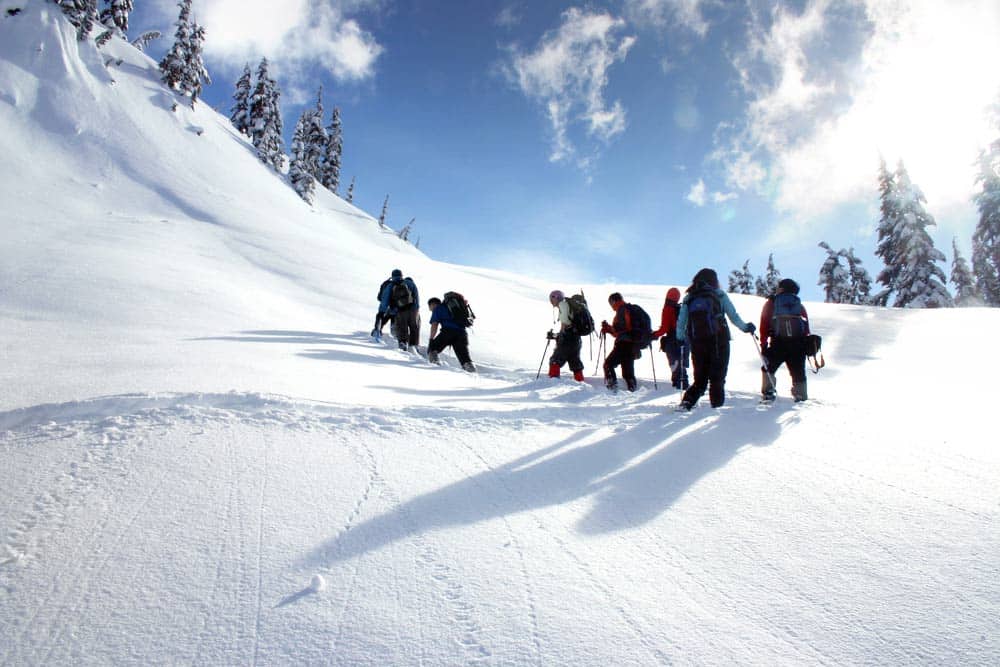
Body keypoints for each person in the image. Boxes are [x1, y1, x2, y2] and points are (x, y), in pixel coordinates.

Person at [675, 268, 755, 410]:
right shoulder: (719, 295)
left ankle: (687, 402)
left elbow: (681, 322)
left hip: (697, 342)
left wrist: (680, 338)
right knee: (717, 378)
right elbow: (733, 316)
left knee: (700, 379)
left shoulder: (690, 297)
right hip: (719, 340)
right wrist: (746, 327)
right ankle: (716, 408)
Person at [759, 278, 810, 402]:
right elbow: (806, 328)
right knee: (798, 372)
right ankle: (801, 395)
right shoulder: (799, 305)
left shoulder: (772, 303)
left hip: (778, 342)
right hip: (798, 344)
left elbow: (764, 324)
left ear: (781, 289)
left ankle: (769, 392)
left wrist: (764, 344)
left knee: (768, 367)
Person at [599, 292, 639, 392]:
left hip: (623, 345)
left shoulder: (621, 310)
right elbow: (622, 330)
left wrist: (608, 328)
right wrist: (609, 329)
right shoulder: (628, 309)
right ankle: (633, 391)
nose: (611, 306)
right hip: (633, 345)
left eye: (610, 303)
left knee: (608, 364)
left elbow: (619, 330)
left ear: (613, 301)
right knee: (627, 373)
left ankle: (612, 389)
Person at [652, 287, 689, 390]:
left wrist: (654, 335)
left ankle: (678, 386)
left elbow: (664, 328)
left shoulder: (668, 308)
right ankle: (683, 385)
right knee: (680, 365)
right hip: (684, 339)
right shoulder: (681, 308)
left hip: (672, 340)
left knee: (675, 364)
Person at [426, 296, 476, 372]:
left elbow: (434, 325)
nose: (430, 310)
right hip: (462, 334)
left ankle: (435, 369)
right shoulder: (452, 308)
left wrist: (431, 340)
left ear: (433, 304)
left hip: (447, 332)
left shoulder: (438, 309)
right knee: (465, 359)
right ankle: (472, 372)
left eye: (430, 307)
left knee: (432, 350)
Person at [546, 290, 586, 382]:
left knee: (555, 360)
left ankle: (552, 382)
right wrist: (556, 336)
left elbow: (565, 322)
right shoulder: (568, 305)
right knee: (574, 361)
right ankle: (581, 383)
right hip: (576, 339)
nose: (551, 301)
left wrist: (561, 335)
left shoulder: (563, 305)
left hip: (568, 338)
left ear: (557, 297)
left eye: (552, 298)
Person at [378, 269, 420, 351]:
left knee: (401, 326)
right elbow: (416, 296)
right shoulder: (410, 283)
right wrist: (416, 308)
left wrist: (382, 310)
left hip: (400, 310)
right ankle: (414, 346)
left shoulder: (391, 285)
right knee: (414, 327)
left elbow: (385, 300)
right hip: (412, 309)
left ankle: (403, 343)